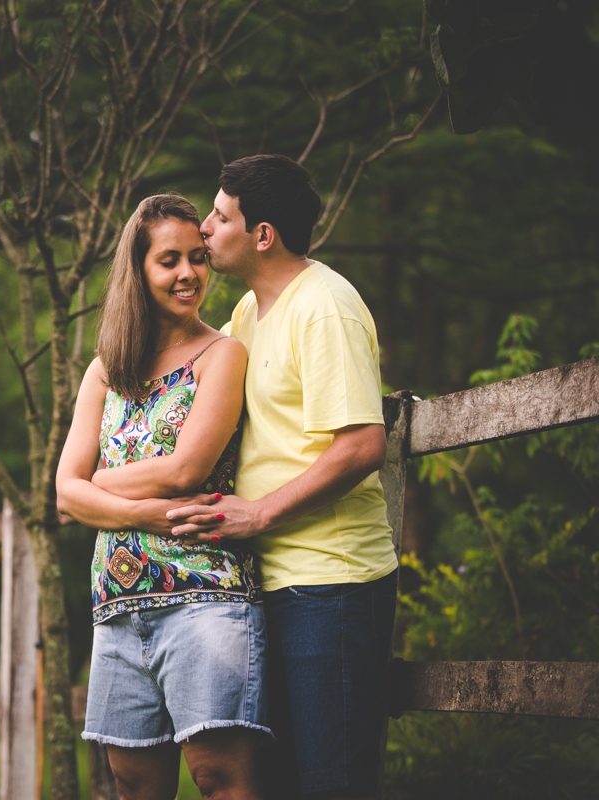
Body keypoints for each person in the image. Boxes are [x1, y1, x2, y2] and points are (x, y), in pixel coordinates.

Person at [166, 154, 398, 800]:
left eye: (219, 216)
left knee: (331, 782)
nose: (205, 228)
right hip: (262, 585)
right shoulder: (245, 316)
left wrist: (258, 514)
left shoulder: (325, 307)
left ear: (262, 234)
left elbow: (361, 445)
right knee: (280, 783)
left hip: (332, 585)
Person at [57, 194, 269, 800]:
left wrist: (97, 484)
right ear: (139, 271)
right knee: (132, 785)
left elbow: (186, 470)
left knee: (219, 777)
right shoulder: (106, 370)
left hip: (203, 598)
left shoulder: (222, 354)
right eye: (169, 261)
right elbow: (62, 494)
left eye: (198, 258)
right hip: (117, 609)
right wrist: (143, 512)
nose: (188, 275)